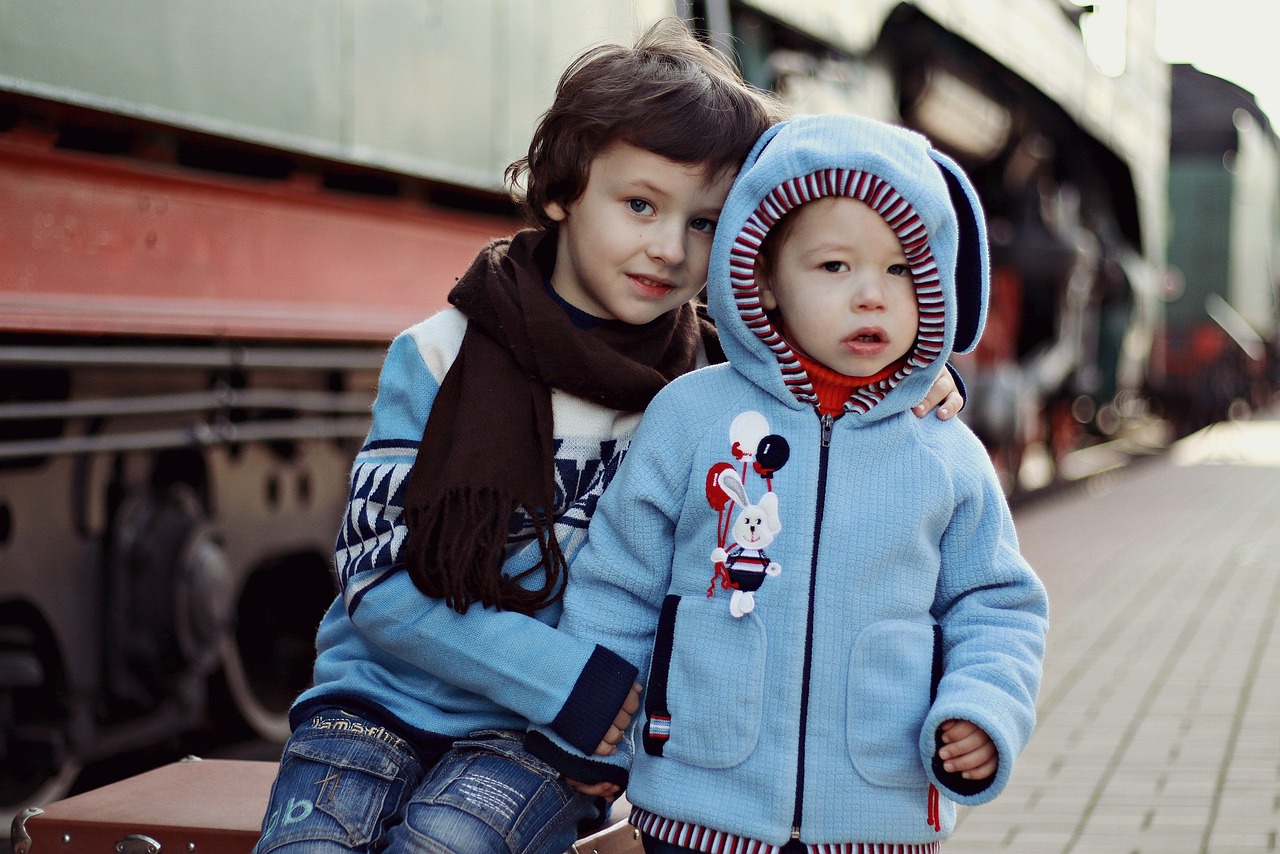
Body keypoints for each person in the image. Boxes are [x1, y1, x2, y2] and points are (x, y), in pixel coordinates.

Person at [252, 20, 963, 854]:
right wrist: (567, 680)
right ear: (561, 191)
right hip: (378, 702)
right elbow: (374, 576)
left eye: (704, 223)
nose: (668, 248)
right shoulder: (438, 356)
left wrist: (916, 382)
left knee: (446, 845)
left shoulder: (721, 404)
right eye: (639, 205)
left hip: (546, 742)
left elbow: (837, 415)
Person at [525, 113, 1049, 854]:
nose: (873, 295)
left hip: (881, 814)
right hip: (698, 808)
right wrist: (590, 730)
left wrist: (983, 708)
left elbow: (997, 607)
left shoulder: (945, 452)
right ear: (762, 277)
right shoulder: (692, 415)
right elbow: (620, 583)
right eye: (835, 267)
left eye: (902, 269)